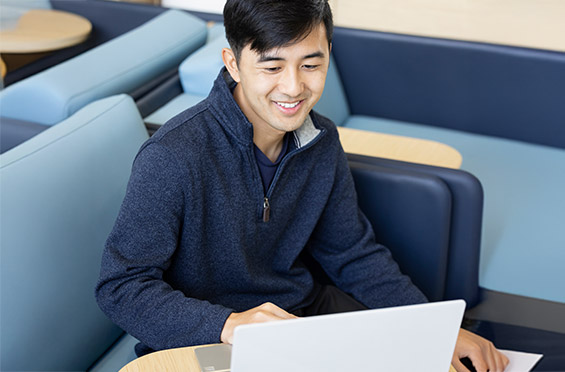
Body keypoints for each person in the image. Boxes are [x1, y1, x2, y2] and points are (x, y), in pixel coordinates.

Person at [95, 1, 509, 371]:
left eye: (311, 65)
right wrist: (227, 324)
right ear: (233, 63)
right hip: (206, 337)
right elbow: (121, 287)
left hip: (301, 317)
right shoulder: (173, 156)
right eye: (272, 67)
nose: (294, 87)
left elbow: (351, 252)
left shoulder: (322, 141)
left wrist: (433, 327)